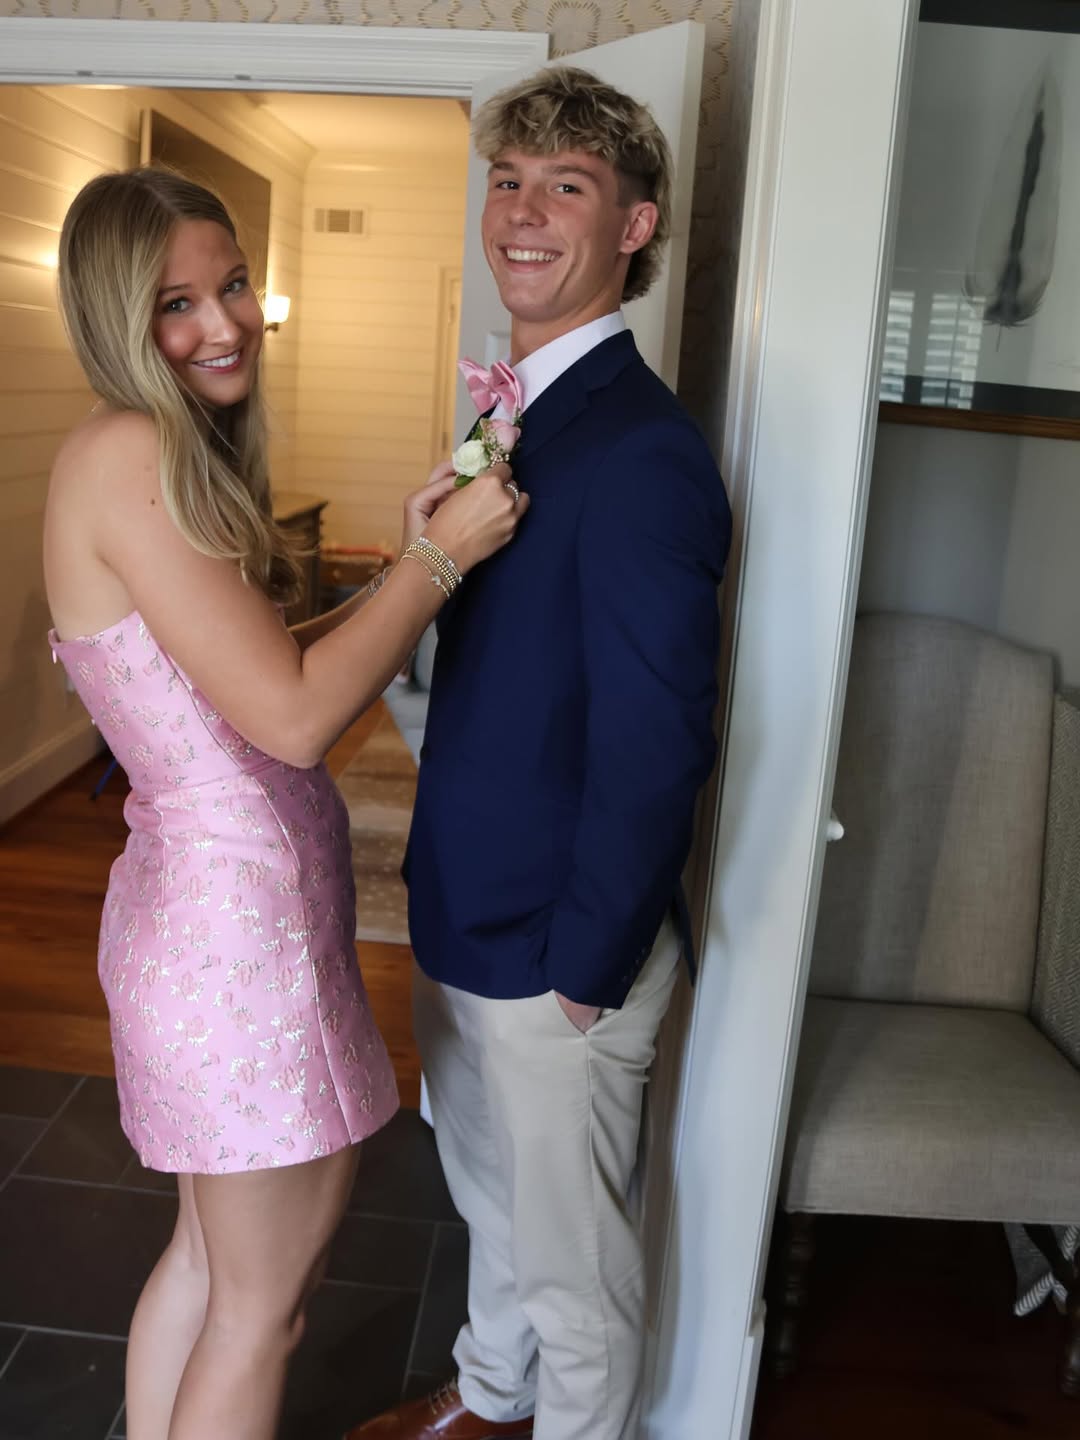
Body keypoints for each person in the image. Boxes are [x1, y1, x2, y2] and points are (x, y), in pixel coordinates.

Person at [44, 166, 525, 1440]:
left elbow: (247, 678)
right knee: (261, 1313)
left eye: (235, 285)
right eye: (176, 304)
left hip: (208, 924)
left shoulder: (129, 453)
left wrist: (404, 560)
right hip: (235, 946)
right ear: (115, 317)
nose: (225, 323)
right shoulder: (131, 455)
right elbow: (298, 719)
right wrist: (440, 561)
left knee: (212, 1272)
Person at [347, 66, 732, 1440]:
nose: (521, 211)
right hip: (467, 908)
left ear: (634, 226)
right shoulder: (513, 416)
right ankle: (491, 1394)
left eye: (567, 186)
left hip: (557, 949)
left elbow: (655, 740)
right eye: (508, 179)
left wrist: (584, 972)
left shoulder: (642, 451)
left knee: (578, 1279)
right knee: (492, 1204)